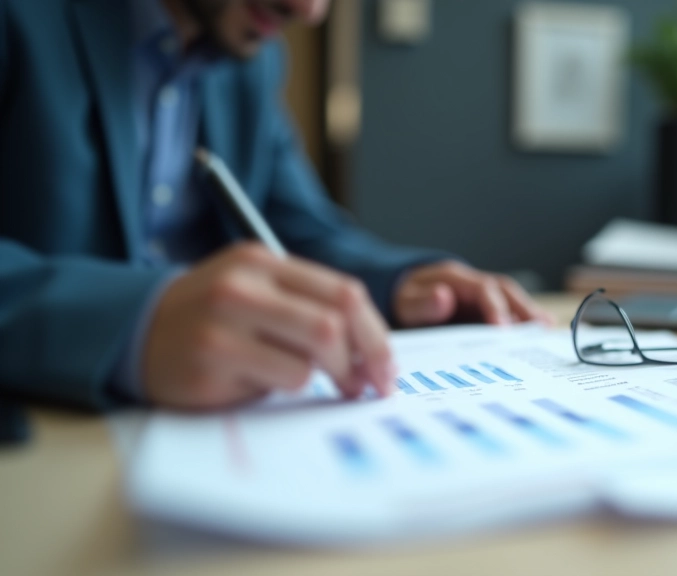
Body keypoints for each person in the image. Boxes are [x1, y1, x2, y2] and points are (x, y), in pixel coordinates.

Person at [0, 0, 551, 411]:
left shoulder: (249, 61)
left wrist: (400, 283)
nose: (309, 10)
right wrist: (136, 322)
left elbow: (300, 232)